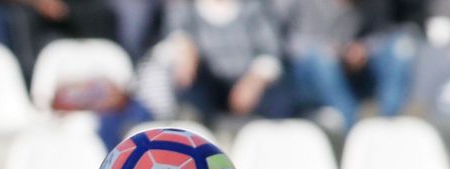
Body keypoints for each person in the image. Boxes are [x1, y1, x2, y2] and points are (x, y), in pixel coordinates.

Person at [284, 0, 419, 130]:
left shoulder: (372, 4)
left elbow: (383, 34)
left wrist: (364, 49)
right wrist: (332, 51)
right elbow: (292, 44)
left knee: (400, 47)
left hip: (357, 72)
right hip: (310, 76)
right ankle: (350, 127)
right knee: (321, 60)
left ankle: (388, 124)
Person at [160, 0, 294, 121]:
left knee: (277, 99)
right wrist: (184, 51)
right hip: (207, 81)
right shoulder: (186, 8)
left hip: (248, 81)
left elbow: (270, 51)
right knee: (190, 96)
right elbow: (176, 37)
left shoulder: (254, 7)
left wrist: (253, 82)